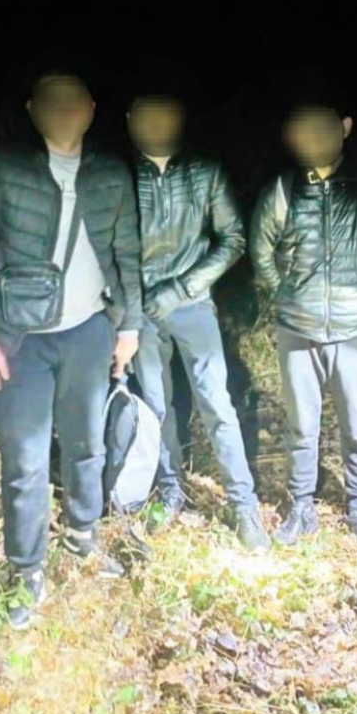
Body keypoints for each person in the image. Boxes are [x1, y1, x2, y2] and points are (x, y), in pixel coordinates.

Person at [0, 70, 142, 629]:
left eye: (72, 102)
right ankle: (27, 569)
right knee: (26, 460)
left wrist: (129, 327)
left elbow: (127, 254)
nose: (62, 111)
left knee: (86, 445)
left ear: (90, 109)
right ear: (32, 109)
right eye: (50, 102)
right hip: (18, 338)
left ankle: (83, 535)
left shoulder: (110, 173)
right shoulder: (2, 168)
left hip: (88, 332)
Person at [249, 94, 357, 550]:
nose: (313, 138)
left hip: (356, 330)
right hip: (297, 328)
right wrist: (287, 293)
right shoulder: (285, 189)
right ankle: (301, 506)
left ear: (346, 127)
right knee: (302, 426)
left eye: (323, 127)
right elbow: (261, 248)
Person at [126, 92, 270, 552]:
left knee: (216, 402)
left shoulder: (205, 172)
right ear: (130, 120)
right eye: (146, 117)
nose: (155, 125)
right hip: (141, 310)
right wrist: (131, 300)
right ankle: (170, 489)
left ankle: (243, 503)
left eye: (165, 116)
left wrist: (182, 288)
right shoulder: (119, 174)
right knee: (156, 404)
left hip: (191, 304)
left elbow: (233, 238)